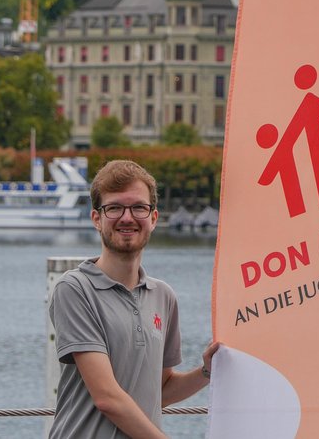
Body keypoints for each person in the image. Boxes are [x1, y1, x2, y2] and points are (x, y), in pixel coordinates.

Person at [49, 159, 219, 438]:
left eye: (138, 207)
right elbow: (107, 398)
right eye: (114, 207)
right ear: (96, 219)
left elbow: (158, 392)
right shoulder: (75, 289)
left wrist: (206, 372)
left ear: (153, 219)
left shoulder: (163, 296)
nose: (127, 218)